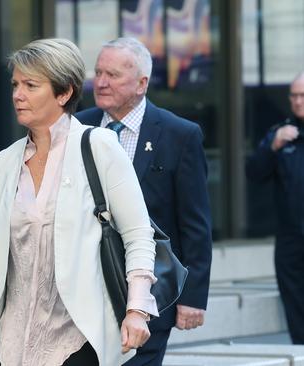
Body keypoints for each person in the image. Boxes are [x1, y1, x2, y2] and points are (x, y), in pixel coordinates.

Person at [0, 38, 158, 366]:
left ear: (64, 92)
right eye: (15, 84)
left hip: (77, 338)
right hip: (13, 342)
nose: (18, 94)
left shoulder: (99, 147)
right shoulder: (4, 163)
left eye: (31, 85)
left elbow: (138, 236)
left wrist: (137, 310)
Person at [75, 37, 213, 366]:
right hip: (85, 290)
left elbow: (195, 223)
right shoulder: (79, 126)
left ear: (142, 83)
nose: (101, 82)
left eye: (113, 74)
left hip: (150, 293)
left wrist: (193, 297)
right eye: (98, 72)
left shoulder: (180, 134)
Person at [246, 72, 304, 345]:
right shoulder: (281, 134)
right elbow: (254, 174)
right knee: (294, 300)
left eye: (303, 96)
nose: (298, 101)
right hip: (291, 236)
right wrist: (272, 146)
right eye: (294, 95)